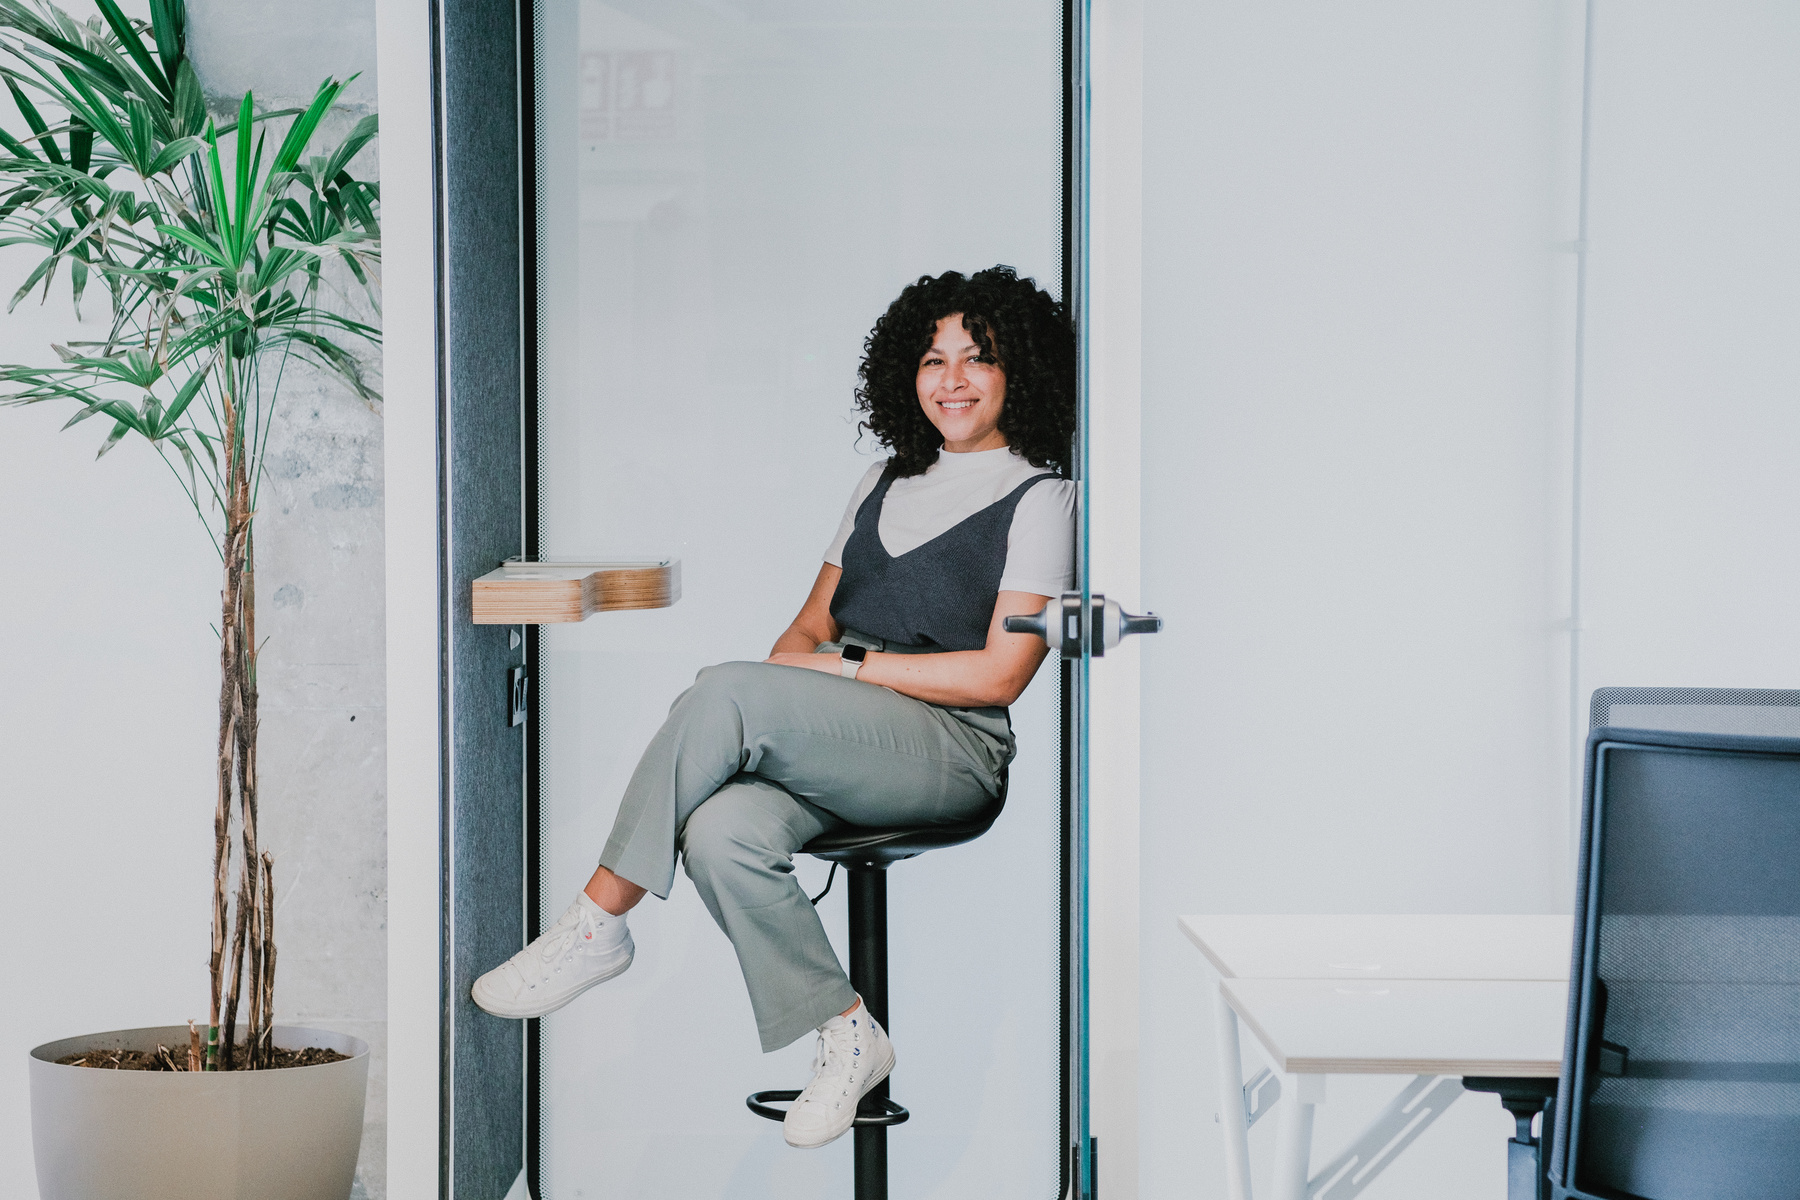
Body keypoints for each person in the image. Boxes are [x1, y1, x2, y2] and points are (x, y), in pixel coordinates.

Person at [472, 265, 1077, 1150]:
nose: (952, 380)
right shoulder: (881, 483)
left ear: (1016, 371)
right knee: (720, 832)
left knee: (727, 687)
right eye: (933, 360)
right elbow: (801, 637)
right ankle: (846, 1032)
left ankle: (598, 922)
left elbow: (998, 677)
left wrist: (851, 673)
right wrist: (819, 687)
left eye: (976, 360)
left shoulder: (1041, 495)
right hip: (847, 739)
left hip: (953, 751)